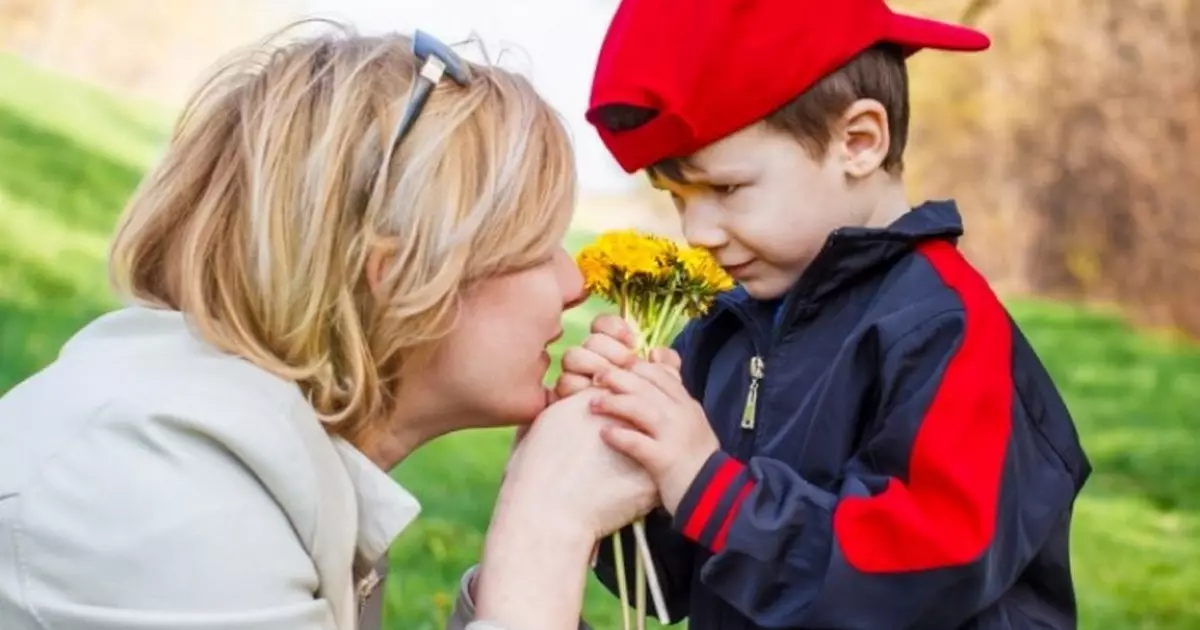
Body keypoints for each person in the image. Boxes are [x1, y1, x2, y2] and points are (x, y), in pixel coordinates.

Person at [0, 20, 656, 630]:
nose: (576, 285)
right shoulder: (165, 490)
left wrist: (524, 527)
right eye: (539, 247)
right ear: (400, 277)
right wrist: (546, 531)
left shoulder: (253, 461)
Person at [555, 0, 1095, 628]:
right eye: (676, 198)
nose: (697, 230)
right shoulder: (724, 329)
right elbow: (666, 583)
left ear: (858, 142)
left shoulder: (944, 327)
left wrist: (708, 485)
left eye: (725, 189)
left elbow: (920, 580)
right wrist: (618, 458)